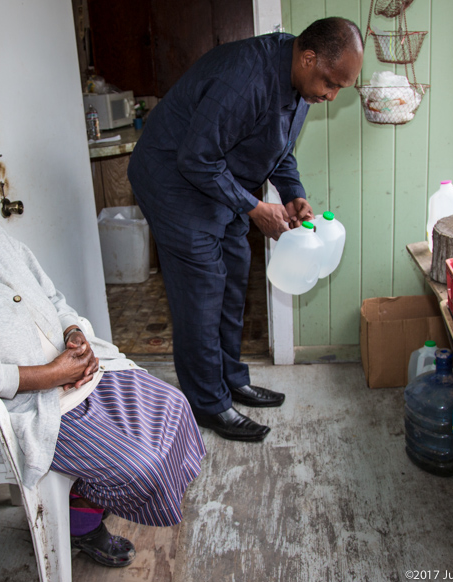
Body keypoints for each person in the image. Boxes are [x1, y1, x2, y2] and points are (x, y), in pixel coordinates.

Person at [0, 148, 206, 568]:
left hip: (66, 375)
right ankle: (81, 525)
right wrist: (46, 376)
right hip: (15, 407)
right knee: (139, 464)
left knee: (174, 407)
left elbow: (51, 297)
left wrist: (73, 334)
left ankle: (79, 509)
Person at [127, 17, 364, 442]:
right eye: (330, 84)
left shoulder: (301, 81)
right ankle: (209, 404)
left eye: (339, 88)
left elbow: (280, 149)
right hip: (172, 181)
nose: (331, 95)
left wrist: (292, 193)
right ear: (308, 58)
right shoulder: (246, 80)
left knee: (235, 276)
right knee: (202, 292)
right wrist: (255, 207)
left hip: (219, 179)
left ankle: (232, 380)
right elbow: (195, 159)